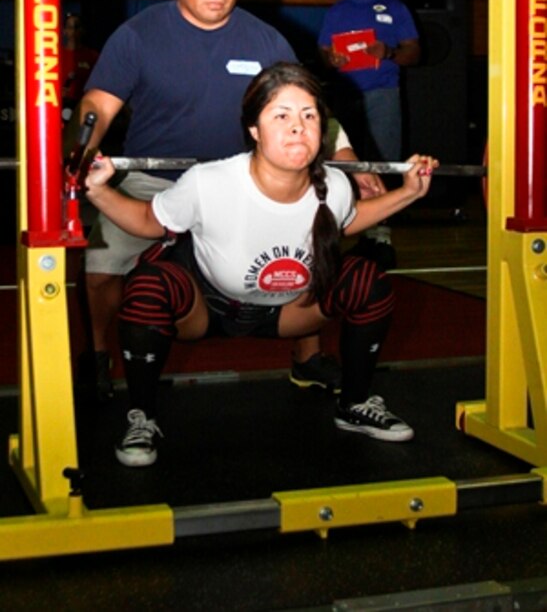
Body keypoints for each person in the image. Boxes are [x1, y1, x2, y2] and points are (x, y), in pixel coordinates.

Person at [79, 0, 382, 401]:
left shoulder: (266, 42)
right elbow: (98, 103)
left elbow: (307, 110)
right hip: (152, 180)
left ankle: (306, 356)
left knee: (310, 251)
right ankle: (98, 356)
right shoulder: (137, 36)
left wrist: (351, 161)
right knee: (101, 266)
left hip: (242, 183)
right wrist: (80, 149)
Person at [84, 63, 437, 466]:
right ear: (254, 129)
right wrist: (96, 190)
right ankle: (142, 416)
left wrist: (409, 193)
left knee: (367, 280)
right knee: (147, 286)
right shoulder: (209, 181)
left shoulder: (335, 185)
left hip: (287, 311)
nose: (298, 127)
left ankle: (354, 403)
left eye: (309, 116)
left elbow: (348, 220)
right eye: (281, 116)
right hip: (205, 309)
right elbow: (149, 220)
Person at [318, 0, 421, 257]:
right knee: (344, 165)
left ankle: (380, 236)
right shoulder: (337, 11)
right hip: (345, 95)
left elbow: (415, 53)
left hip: (383, 94)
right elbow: (323, 51)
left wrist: (388, 53)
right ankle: (349, 227)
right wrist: (331, 58)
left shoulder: (395, 8)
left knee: (382, 161)